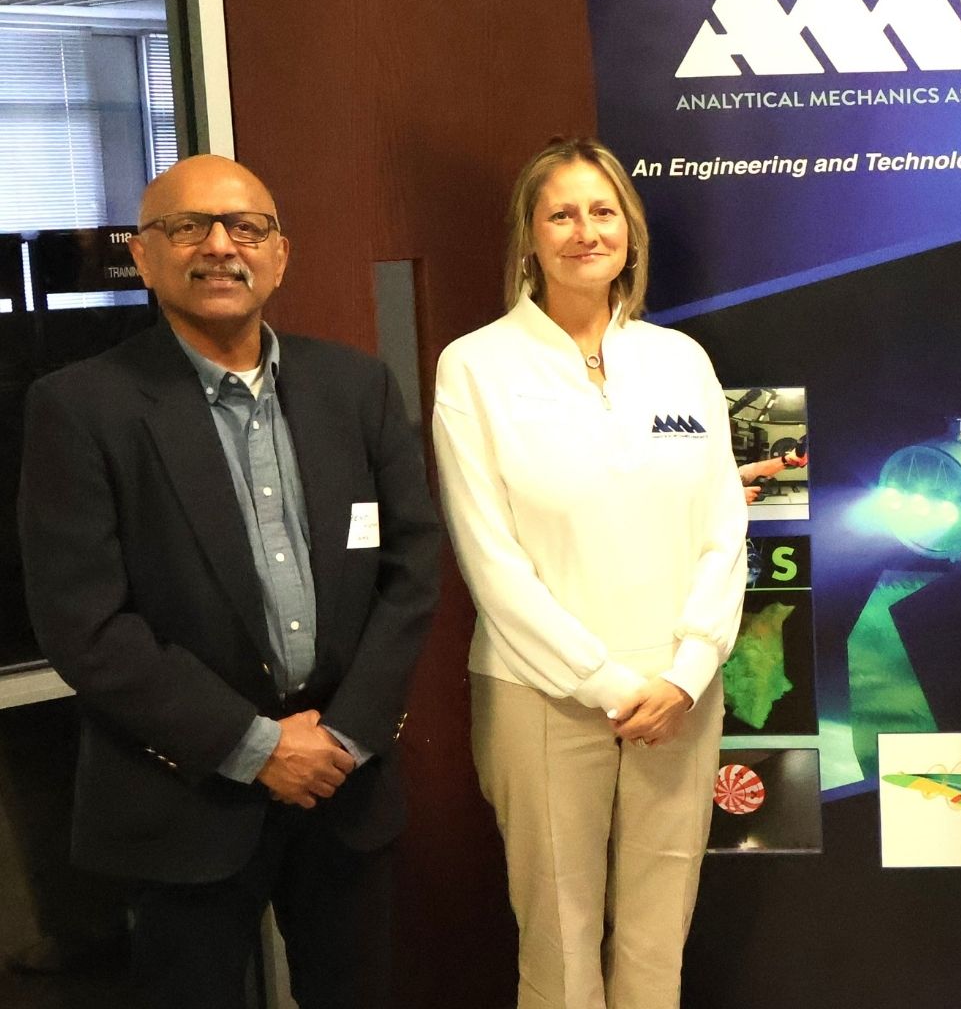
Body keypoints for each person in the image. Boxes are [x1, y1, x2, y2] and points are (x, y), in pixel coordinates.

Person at [16, 154, 442, 1008]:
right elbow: (85, 625)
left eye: (246, 227)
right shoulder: (81, 406)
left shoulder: (355, 386)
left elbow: (414, 565)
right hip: (181, 796)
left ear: (279, 255)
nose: (220, 246)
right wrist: (257, 749)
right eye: (188, 226)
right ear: (142, 255)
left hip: (345, 788)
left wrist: (345, 738)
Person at [433, 137, 746, 1009]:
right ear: (528, 238)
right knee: (559, 945)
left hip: (680, 694)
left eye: (602, 211)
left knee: (657, 939)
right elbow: (489, 560)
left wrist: (685, 672)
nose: (584, 231)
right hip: (542, 696)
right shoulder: (476, 367)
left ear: (630, 234)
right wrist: (604, 683)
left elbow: (724, 529)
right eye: (560, 213)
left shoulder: (680, 360)